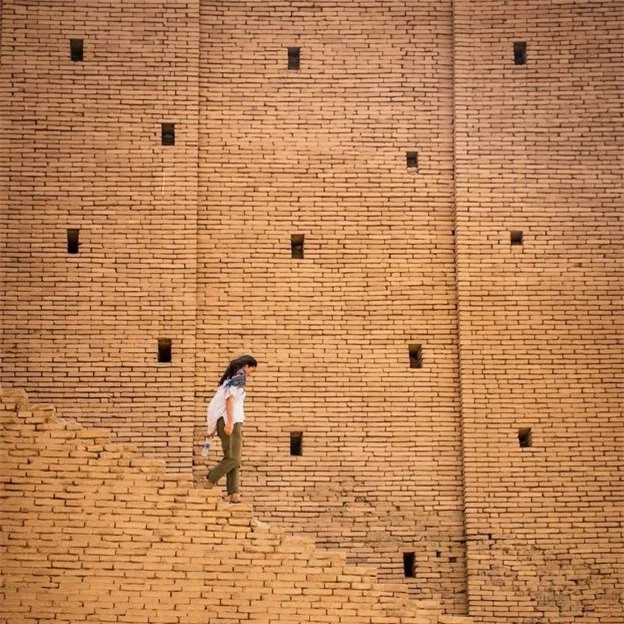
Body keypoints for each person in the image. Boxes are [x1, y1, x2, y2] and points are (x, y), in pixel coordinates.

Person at [205, 354, 257, 503]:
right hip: (231, 422)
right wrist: (230, 422)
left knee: (232, 457)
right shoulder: (238, 378)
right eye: (251, 369)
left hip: (224, 421)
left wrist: (213, 428)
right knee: (234, 458)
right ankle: (209, 479)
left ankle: (234, 493)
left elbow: (215, 405)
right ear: (246, 366)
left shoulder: (227, 382)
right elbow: (230, 400)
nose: (250, 373)